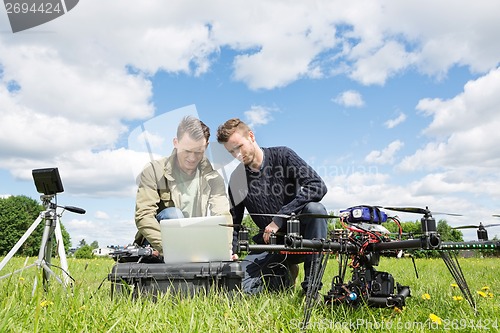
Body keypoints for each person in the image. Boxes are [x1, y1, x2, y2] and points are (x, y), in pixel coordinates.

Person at [216, 118, 328, 295]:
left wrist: (279, 219)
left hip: (301, 241)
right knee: (236, 289)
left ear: (251, 136)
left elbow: (317, 186)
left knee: (316, 210)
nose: (237, 154)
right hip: (270, 246)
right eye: (231, 152)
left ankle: (311, 289)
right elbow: (235, 222)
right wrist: (231, 249)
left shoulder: (283, 156)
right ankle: (282, 274)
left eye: (239, 147)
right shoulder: (237, 179)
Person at [134, 116, 230, 253]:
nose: (192, 158)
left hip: (192, 241)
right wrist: (173, 249)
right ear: (176, 142)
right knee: (174, 215)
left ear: (206, 146)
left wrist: (225, 250)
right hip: (158, 242)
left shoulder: (214, 178)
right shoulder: (154, 171)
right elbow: (143, 216)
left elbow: (223, 215)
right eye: (187, 151)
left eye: (198, 152)